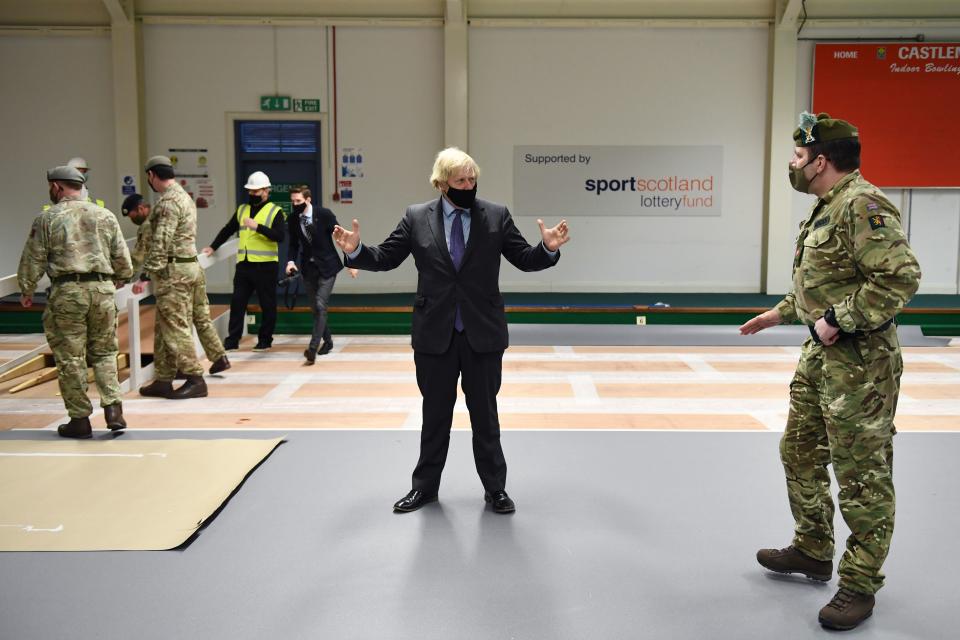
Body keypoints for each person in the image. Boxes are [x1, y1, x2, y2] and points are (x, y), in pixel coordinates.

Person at [740, 112, 921, 631]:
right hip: (822, 358)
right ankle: (814, 548)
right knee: (797, 450)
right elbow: (829, 281)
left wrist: (836, 320)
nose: (793, 166)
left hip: (861, 366)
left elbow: (899, 280)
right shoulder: (829, 207)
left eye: (798, 158)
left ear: (821, 160)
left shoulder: (863, 204)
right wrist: (782, 311)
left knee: (862, 477)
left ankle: (859, 585)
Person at [333, 147, 570, 514]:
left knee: (485, 418)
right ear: (442, 184)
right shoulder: (416, 217)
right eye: (460, 180)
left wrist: (547, 249)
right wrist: (356, 250)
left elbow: (523, 258)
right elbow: (386, 257)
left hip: (482, 334)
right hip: (435, 334)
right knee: (435, 417)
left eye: (472, 178)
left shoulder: (495, 214)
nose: (468, 185)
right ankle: (424, 489)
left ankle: (496, 490)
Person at [17, 165, 133, 438]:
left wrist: (26, 289)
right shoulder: (105, 215)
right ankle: (114, 409)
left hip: (68, 293)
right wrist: (120, 278)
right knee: (105, 352)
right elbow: (123, 261)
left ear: (56, 187)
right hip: (103, 292)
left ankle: (80, 420)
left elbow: (33, 258)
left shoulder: (47, 219)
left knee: (71, 358)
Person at [134, 156, 221, 400]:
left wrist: (145, 273)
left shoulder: (168, 202)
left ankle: (195, 379)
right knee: (164, 326)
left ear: (152, 175)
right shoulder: (185, 197)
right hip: (187, 267)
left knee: (175, 326)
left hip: (174, 273)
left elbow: (162, 240)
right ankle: (163, 378)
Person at [122, 193, 230, 378]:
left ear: (140, 209)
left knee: (175, 323)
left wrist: (123, 277)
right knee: (200, 316)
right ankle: (219, 357)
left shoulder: (149, 225)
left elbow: (139, 257)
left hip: (175, 276)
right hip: (194, 270)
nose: (132, 220)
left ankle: (183, 368)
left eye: (132, 215)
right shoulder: (169, 216)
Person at [202, 171, 284, 352]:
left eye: (256, 191)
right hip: (244, 265)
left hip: (266, 265)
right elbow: (227, 229)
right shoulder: (242, 210)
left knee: (267, 304)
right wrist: (213, 247)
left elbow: (280, 236)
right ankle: (232, 340)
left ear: (266, 191)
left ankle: (265, 339)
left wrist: (258, 227)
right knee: (237, 302)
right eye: (250, 191)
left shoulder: (275, 211)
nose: (252, 195)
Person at [284, 185, 357, 364]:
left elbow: (341, 238)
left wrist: (352, 262)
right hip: (308, 268)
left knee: (320, 303)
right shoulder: (293, 219)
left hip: (328, 266)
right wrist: (290, 262)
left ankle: (312, 348)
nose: (295, 204)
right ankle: (329, 341)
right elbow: (293, 244)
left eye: (299, 201)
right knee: (316, 309)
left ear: (308, 199)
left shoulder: (324, 214)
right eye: (293, 201)